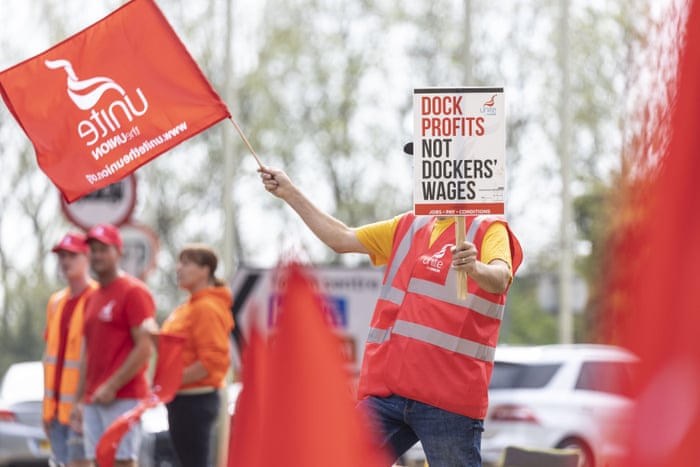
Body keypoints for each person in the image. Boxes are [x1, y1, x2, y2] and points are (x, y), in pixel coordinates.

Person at [259, 157, 523, 467]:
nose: (420, 170)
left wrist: (474, 267)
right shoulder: (409, 224)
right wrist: (290, 192)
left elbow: (500, 277)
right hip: (389, 393)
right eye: (420, 164)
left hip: (448, 399)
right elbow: (341, 238)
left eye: (429, 164)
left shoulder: (487, 228)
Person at [70, 224, 158, 467]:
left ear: (118, 252)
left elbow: (145, 347)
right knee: (97, 462)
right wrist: (79, 399)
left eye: (103, 250)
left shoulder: (134, 292)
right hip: (93, 399)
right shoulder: (92, 297)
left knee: (123, 462)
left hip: (124, 397)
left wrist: (112, 386)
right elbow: (88, 352)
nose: (97, 255)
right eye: (93, 250)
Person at [160, 244, 234, 467]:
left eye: (186, 263)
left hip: (196, 399)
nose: (178, 268)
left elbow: (212, 361)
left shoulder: (207, 308)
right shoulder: (188, 307)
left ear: (205, 270)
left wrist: (170, 381)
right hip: (181, 398)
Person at [43, 232, 97, 467]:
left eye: (72, 255)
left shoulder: (97, 297)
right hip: (55, 412)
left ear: (87, 258)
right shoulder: (56, 302)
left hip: (81, 409)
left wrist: (85, 403)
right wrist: (47, 410)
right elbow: (50, 357)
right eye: (62, 256)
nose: (65, 261)